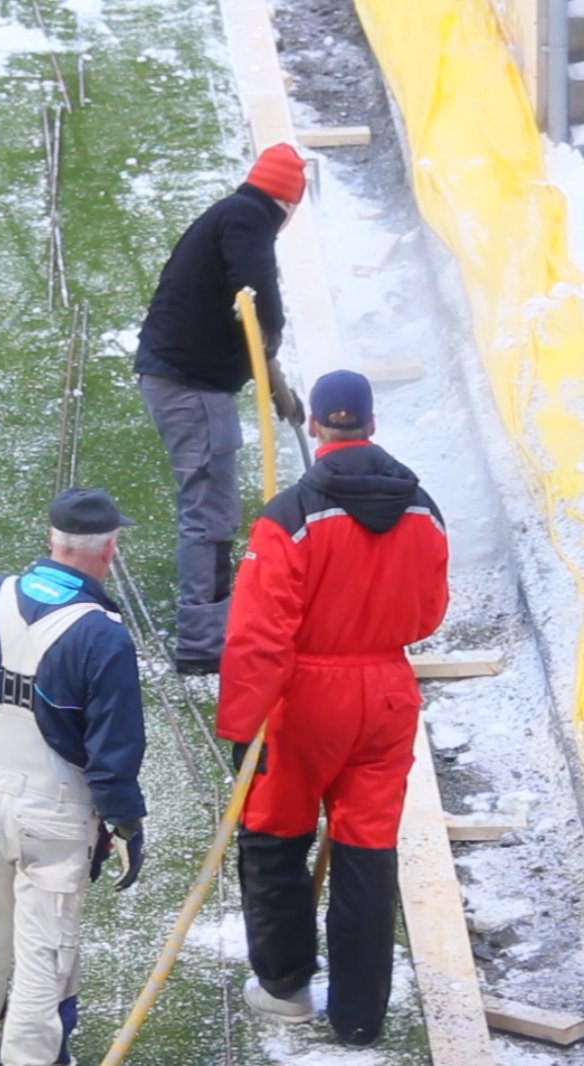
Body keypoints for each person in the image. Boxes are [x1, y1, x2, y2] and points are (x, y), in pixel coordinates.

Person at [215, 370, 449, 1047]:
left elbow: (258, 637)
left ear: (315, 425)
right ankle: (358, 1016)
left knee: (274, 840)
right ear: (371, 424)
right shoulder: (423, 507)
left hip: (303, 700)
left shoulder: (289, 515)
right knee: (366, 852)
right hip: (386, 693)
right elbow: (430, 611)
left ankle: (286, 987)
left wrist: (242, 730)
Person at [0, 487, 147, 1066]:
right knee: (43, 955)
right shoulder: (104, 633)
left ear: (51, 538)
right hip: (52, 812)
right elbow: (113, 752)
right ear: (110, 548)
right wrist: (126, 823)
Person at [135, 142, 308, 675]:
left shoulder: (228, 215)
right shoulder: (248, 217)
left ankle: (209, 622)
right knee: (210, 510)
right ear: (288, 204)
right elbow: (255, 294)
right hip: (191, 385)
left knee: (210, 506)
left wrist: (273, 381)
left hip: (181, 377)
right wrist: (272, 341)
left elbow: (242, 308)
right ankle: (204, 640)